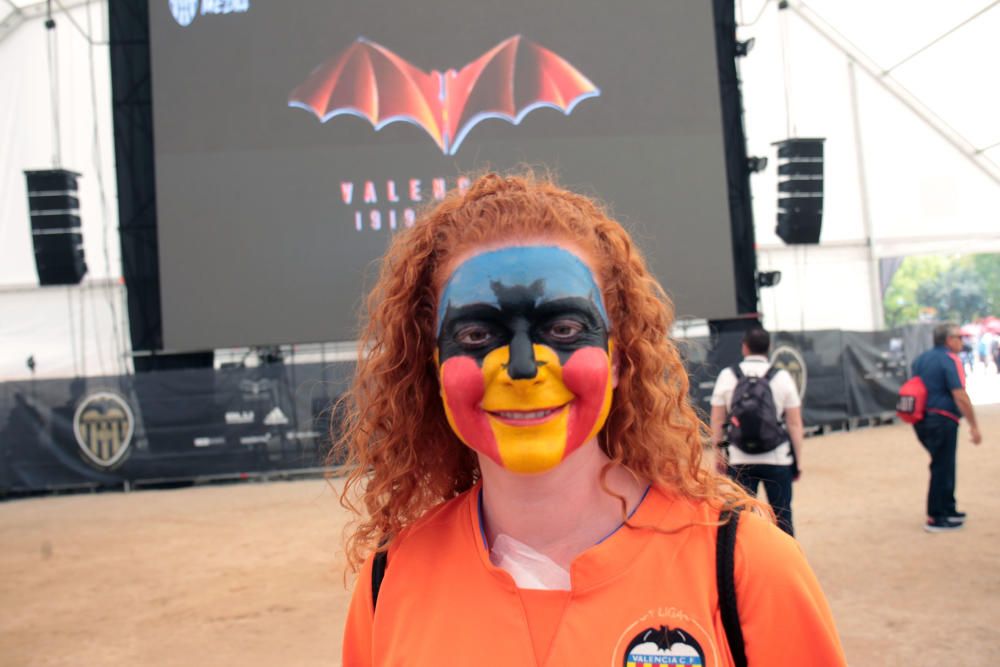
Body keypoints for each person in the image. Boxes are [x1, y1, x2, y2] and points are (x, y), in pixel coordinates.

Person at [335, 173, 846, 665]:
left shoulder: (742, 566)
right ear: (436, 367)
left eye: (562, 328)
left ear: (619, 358)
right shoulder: (390, 581)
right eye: (475, 336)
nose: (520, 367)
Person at [708, 328, 804, 536]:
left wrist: (719, 454)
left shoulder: (727, 375)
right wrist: (798, 461)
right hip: (778, 459)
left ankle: (744, 565)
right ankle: (785, 564)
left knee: (741, 520)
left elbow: (717, 420)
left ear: (744, 347)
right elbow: (795, 424)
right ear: (769, 348)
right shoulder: (782, 377)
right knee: (783, 518)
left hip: (739, 459)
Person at [911, 322, 982, 532]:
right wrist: (974, 426)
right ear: (949, 340)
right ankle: (936, 516)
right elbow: (960, 395)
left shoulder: (921, 359)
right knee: (942, 466)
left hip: (923, 420)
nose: (962, 341)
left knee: (943, 464)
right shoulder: (950, 360)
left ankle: (948, 508)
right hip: (942, 419)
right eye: (959, 337)